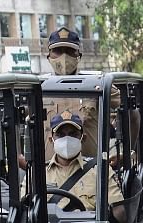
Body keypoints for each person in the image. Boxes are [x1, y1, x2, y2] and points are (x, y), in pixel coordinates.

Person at [45, 112, 124, 215]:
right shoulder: (38, 174)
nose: (67, 139)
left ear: (83, 138)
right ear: (51, 140)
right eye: (60, 135)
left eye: (73, 134)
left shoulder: (100, 170)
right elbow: (26, 209)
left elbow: (119, 212)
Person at [42, 27, 100, 157]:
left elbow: (132, 114)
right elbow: (13, 120)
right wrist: (18, 156)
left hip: (89, 171)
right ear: (49, 56)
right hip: (47, 172)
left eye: (69, 51)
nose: (64, 57)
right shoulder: (38, 88)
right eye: (57, 51)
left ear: (78, 55)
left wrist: (124, 155)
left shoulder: (96, 85)